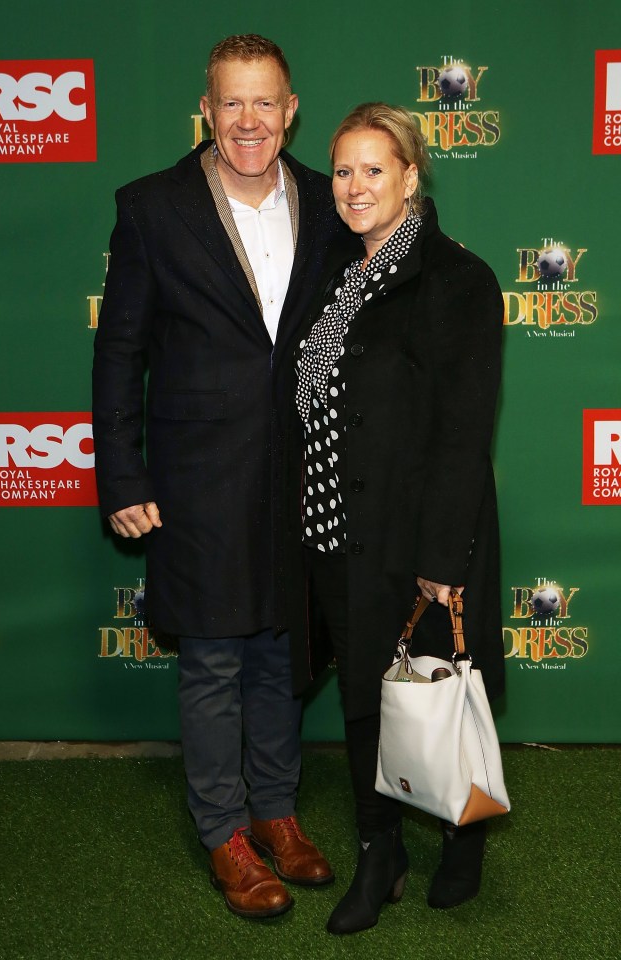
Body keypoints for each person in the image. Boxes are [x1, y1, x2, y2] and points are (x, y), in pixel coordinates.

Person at [92, 34, 356, 920]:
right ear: (208, 108)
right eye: (230, 102)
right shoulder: (151, 208)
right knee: (211, 660)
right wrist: (121, 475)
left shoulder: (328, 205)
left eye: (265, 103)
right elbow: (120, 351)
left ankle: (277, 811)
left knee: (281, 651)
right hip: (194, 474)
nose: (248, 121)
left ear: (291, 111)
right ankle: (225, 835)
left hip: (299, 474)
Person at [279, 102, 505, 934]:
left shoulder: (459, 280)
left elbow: (461, 433)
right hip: (337, 537)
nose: (354, 186)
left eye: (375, 169)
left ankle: (465, 834)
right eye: (342, 170)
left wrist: (443, 557)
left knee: (441, 696)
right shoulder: (333, 269)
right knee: (369, 705)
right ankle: (383, 850)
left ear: (412, 176)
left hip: (421, 540)